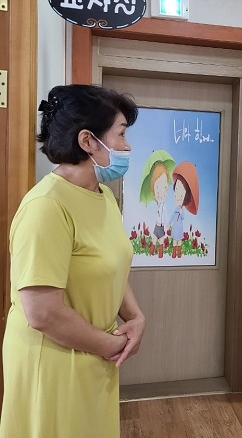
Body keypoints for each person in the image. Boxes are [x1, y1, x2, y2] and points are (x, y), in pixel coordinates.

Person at [0, 85, 146, 438]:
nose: (127, 146)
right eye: (121, 134)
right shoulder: (46, 207)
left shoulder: (104, 197)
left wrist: (135, 318)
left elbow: (110, 265)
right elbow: (42, 313)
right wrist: (110, 344)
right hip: (54, 359)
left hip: (94, 352)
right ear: (88, 141)